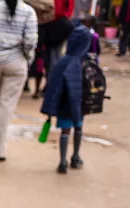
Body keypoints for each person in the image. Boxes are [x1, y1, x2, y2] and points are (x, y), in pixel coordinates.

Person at [0, 0, 39, 161]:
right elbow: (31, 41)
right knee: (6, 106)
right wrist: (25, 58)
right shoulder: (28, 12)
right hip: (16, 63)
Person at [41, 26, 92, 173]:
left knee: (65, 131)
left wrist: (50, 109)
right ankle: (75, 157)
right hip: (78, 106)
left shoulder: (61, 63)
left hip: (63, 106)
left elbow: (52, 87)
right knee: (78, 128)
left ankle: (62, 162)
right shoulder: (83, 63)